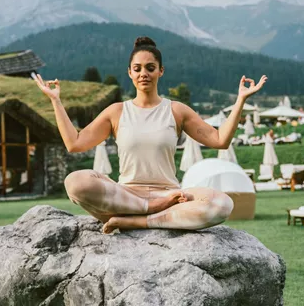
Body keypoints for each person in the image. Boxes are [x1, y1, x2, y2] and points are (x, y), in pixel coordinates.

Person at [34, 37, 268, 234]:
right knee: (75, 182)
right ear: (129, 72)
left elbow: (220, 141)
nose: (143, 73)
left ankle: (135, 221)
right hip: (126, 194)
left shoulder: (176, 110)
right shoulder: (117, 111)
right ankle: (149, 209)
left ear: (160, 71)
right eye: (137, 69)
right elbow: (74, 143)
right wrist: (55, 100)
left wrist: (240, 100)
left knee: (222, 204)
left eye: (150, 68)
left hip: (171, 196)